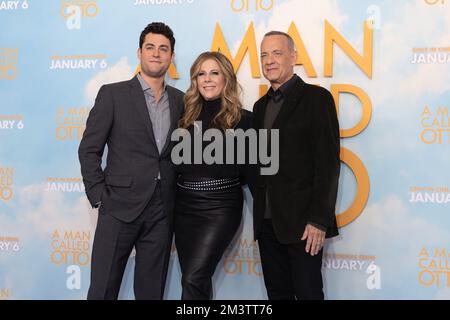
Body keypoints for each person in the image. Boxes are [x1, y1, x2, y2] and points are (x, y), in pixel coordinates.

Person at [78, 22, 184, 300]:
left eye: (164, 49)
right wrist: (100, 196)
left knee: (152, 293)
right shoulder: (112, 94)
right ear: (139, 52)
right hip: (117, 208)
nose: (156, 54)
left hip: (161, 211)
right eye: (150, 47)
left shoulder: (181, 101)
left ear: (172, 57)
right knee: (102, 291)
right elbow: (89, 150)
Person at [252, 31, 340, 300]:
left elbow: (327, 165)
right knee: (277, 294)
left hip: (304, 225)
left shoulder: (317, 99)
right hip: (267, 224)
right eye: (264, 55)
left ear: (294, 56)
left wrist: (318, 220)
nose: (269, 61)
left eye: (277, 53)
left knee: (309, 293)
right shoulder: (258, 107)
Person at [173, 51, 253, 300]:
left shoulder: (244, 120)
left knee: (192, 278)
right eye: (201, 74)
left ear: (226, 78)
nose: (207, 79)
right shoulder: (183, 118)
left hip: (221, 207)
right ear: (195, 80)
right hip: (184, 207)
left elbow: (253, 172)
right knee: (196, 279)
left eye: (214, 73)